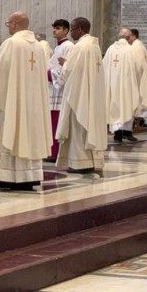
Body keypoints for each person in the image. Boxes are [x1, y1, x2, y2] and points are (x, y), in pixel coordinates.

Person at [0, 11, 51, 191]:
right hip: (33, 104)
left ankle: (6, 177)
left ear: (14, 24)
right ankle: (30, 176)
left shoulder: (12, 43)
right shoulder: (38, 46)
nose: (8, 27)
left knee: (9, 133)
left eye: (8, 24)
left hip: (13, 101)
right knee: (30, 135)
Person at [55, 17, 106, 174]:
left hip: (79, 95)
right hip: (92, 94)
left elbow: (69, 71)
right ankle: (90, 162)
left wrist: (64, 65)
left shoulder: (80, 47)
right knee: (88, 128)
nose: (71, 33)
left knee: (78, 128)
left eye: (73, 29)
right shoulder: (94, 47)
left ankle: (80, 163)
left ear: (80, 29)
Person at [104, 28, 141, 143]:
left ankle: (117, 134)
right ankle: (127, 132)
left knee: (115, 106)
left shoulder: (110, 49)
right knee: (127, 105)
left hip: (113, 84)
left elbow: (104, 65)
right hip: (126, 85)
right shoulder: (130, 50)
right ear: (129, 38)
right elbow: (138, 67)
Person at [46, 19, 74, 162]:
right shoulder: (57, 47)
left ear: (66, 30)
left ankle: (56, 152)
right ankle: (52, 151)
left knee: (57, 121)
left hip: (61, 90)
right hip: (53, 90)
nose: (54, 31)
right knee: (52, 121)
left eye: (58, 28)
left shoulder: (68, 46)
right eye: (54, 28)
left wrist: (49, 74)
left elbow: (67, 69)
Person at [126, 29, 147, 130]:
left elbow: (138, 65)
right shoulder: (138, 45)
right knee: (143, 96)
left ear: (134, 36)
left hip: (139, 77)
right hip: (141, 76)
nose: (127, 39)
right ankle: (145, 120)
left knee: (142, 97)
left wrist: (131, 74)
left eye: (129, 37)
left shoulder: (136, 47)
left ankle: (146, 121)